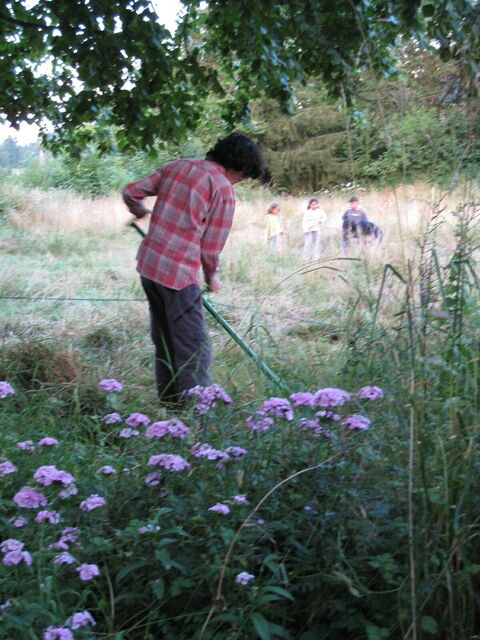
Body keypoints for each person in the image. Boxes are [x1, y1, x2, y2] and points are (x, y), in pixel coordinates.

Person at [122, 132, 264, 404]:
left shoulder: (178, 166)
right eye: (244, 176)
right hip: (178, 277)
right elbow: (210, 248)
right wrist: (212, 278)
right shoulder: (222, 188)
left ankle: (170, 407)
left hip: (149, 267)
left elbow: (130, 192)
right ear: (239, 167)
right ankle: (195, 414)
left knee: (165, 341)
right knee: (193, 349)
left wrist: (138, 210)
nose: (240, 181)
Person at [302, 197, 326, 261]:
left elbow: (324, 217)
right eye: (312, 204)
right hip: (309, 230)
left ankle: (316, 257)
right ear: (309, 205)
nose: (314, 206)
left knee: (316, 244)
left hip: (317, 229)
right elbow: (304, 222)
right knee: (308, 244)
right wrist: (305, 230)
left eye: (315, 204)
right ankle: (306, 258)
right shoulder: (307, 212)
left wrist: (321, 221)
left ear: (317, 204)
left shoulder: (320, 211)